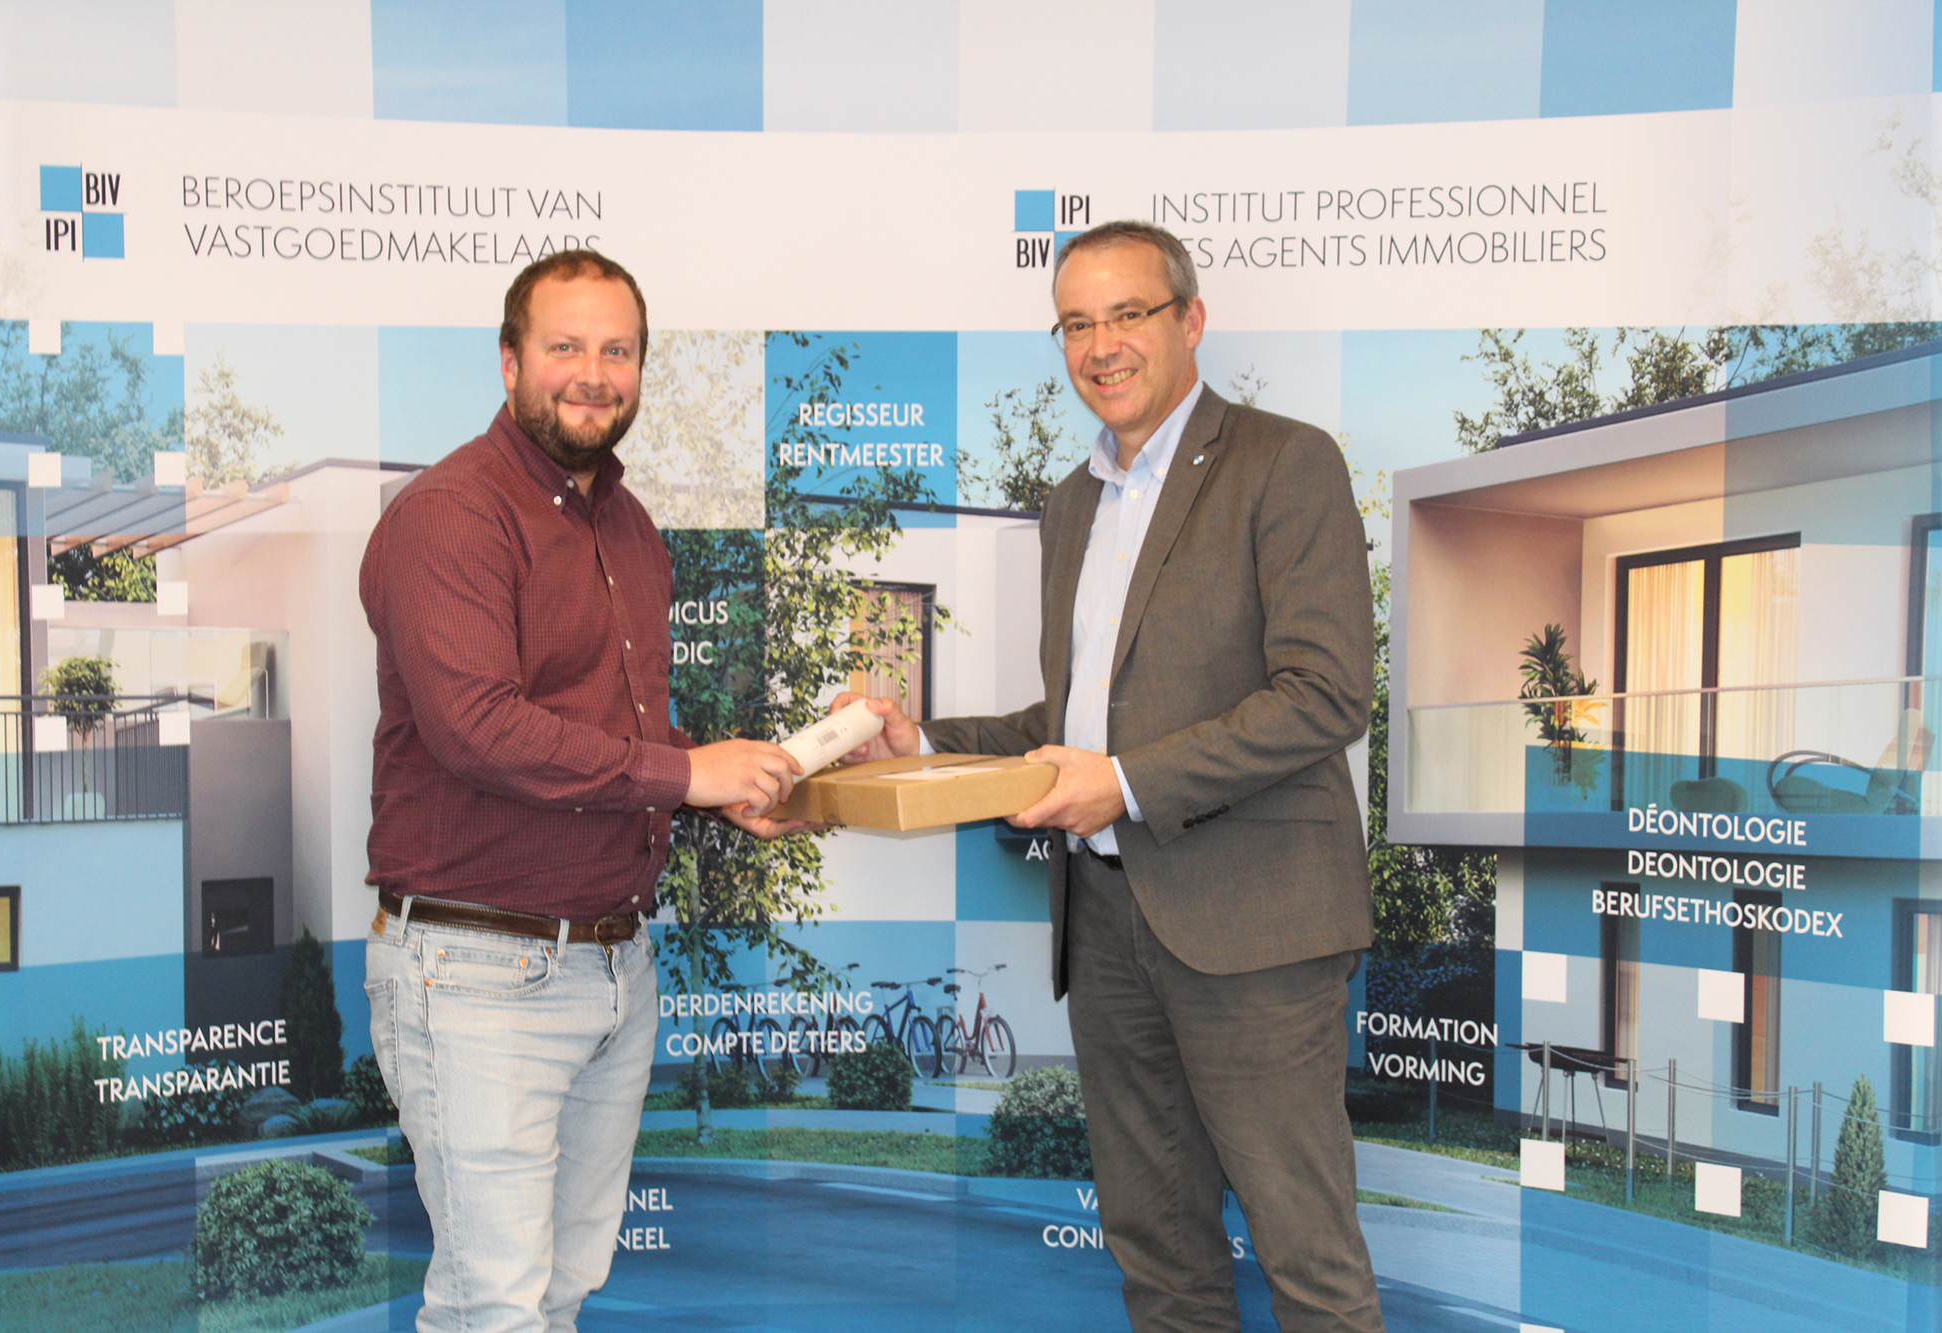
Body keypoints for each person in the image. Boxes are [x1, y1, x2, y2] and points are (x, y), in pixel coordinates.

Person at [839, 220, 1383, 1333]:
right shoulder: (1072, 502)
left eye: (1128, 314)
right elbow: (1071, 722)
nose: (1101, 345)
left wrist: (1125, 783)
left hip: (1251, 929)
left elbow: (1326, 692)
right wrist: (922, 744)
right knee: (1158, 1255)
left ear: (1190, 319)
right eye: (1076, 323)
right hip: (1101, 924)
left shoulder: (1285, 462)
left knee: (1308, 1261)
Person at [360, 250, 809, 1332]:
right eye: (565, 346)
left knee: (556, 1292)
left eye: (617, 351)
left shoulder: (629, 527)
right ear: (510, 360)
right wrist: (686, 772)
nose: (593, 374)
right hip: (478, 967)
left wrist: (716, 785)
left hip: (612, 963)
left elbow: (616, 736)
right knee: (495, 1304)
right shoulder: (452, 512)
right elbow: (479, 728)